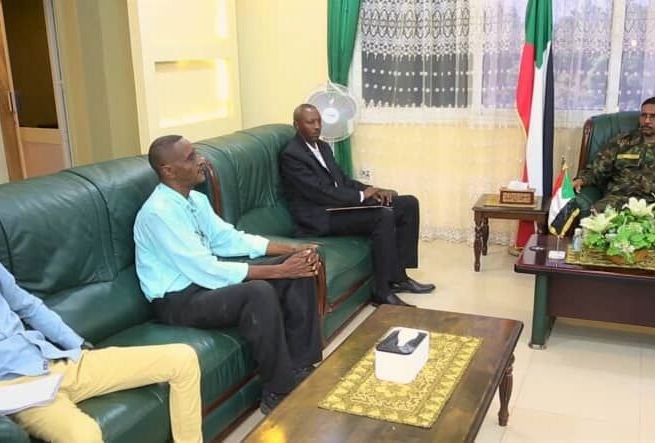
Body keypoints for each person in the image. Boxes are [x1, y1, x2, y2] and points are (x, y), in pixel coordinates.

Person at [0, 182, 202, 443]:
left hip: (55, 359)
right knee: (84, 435)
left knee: (182, 358)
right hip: (12, 389)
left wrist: (75, 343)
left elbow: (27, 305)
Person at [134, 135, 323, 415]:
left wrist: (294, 250)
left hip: (203, 287)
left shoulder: (195, 200)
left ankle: (301, 366)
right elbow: (204, 268)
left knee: (300, 266)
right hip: (177, 301)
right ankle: (277, 391)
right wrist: (277, 270)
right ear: (169, 171)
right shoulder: (158, 213)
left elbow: (229, 240)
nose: (201, 161)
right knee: (258, 291)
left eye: (197, 153)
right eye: (191, 158)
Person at [279, 104, 435, 307]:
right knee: (382, 215)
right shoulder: (292, 155)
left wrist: (371, 189)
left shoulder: (323, 147)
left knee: (407, 204)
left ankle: (399, 277)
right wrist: (361, 196)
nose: (317, 126)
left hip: (337, 206)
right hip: (318, 217)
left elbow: (342, 180)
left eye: (319, 121)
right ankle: (381, 291)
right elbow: (319, 192)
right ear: (297, 125)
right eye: (310, 122)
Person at [573, 96, 655, 241]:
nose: (647, 121)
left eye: (653, 116)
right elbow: (597, 169)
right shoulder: (621, 142)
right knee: (595, 226)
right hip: (619, 199)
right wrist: (581, 180)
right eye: (643, 115)